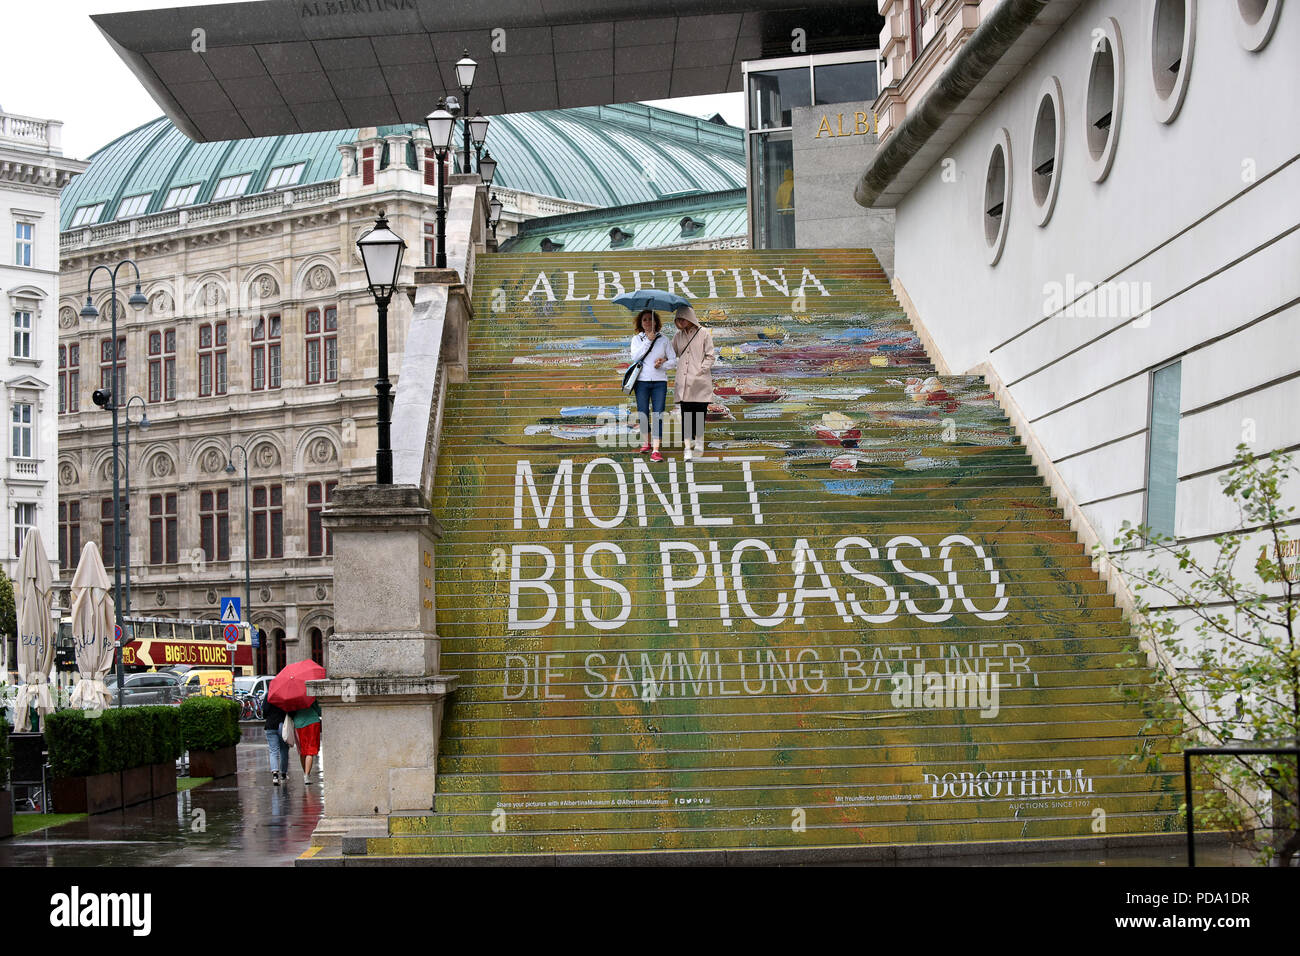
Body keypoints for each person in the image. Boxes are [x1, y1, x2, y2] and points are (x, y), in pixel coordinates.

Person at [670, 305, 715, 460]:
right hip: (684, 383)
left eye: (683, 318)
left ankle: (700, 444)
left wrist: (701, 370)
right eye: (678, 319)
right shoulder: (678, 336)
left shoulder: (704, 334)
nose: (681, 322)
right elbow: (671, 353)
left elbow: (710, 356)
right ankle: (687, 448)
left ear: (690, 318)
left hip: (700, 382)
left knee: (699, 414)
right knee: (686, 415)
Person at [629, 309, 672, 462]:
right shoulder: (636, 339)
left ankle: (655, 450)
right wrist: (648, 340)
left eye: (650, 319)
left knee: (658, 414)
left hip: (660, 382)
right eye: (644, 320)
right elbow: (635, 357)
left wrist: (663, 363)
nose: (648, 322)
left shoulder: (664, 340)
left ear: (656, 322)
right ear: (641, 323)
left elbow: (673, 360)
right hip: (641, 382)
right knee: (643, 413)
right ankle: (646, 442)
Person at [293, 699, 322, 784]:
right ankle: (306, 775)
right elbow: (318, 710)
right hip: (312, 722)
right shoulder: (309, 695)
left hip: (298, 723)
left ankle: (305, 773)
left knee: (303, 751)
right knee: (311, 749)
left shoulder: (292, 697)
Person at [263, 696, 290, 786]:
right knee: (284, 750)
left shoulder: (268, 695)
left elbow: (264, 712)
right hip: (282, 725)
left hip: (270, 725)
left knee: (273, 751)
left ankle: (275, 775)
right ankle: (283, 774)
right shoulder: (284, 695)